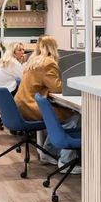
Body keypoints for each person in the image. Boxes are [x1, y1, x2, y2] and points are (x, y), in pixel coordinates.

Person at [14, 36, 81, 172]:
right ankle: (66, 161)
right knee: (73, 116)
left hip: (23, 104)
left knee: (58, 118)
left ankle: (48, 153)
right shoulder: (48, 62)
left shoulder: (33, 61)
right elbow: (57, 87)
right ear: (53, 47)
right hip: (31, 106)